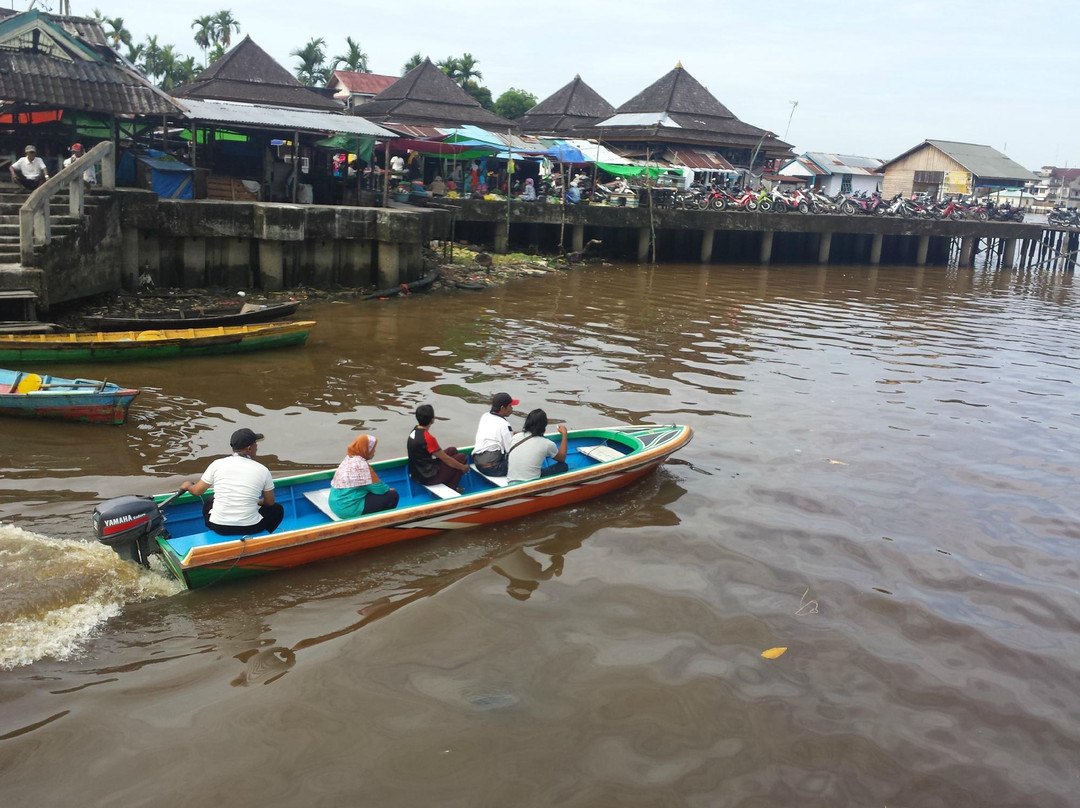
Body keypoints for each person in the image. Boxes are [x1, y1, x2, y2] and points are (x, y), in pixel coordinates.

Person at [179, 428, 285, 535]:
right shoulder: (263, 470)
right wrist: (257, 501)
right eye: (255, 444)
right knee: (277, 509)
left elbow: (197, 491)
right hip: (251, 528)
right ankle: (263, 535)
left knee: (210, 500)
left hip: (219, 527)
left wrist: (188, 486)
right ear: (249, 448)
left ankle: (214, 533)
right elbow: (269, 502)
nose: (257, 447)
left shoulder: (216, 464)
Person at [328, 435, 399, 519]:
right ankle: (382, 521)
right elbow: (380, 489)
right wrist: (388, 489)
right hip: (347, 510)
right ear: (365, 449)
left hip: (335, 504)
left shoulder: (349, 458)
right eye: (372, 449)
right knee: (392, 495)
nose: (374, 451)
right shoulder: (361, 466)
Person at [407, 404, 469, 490]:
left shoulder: (414, 431)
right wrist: (463, 467)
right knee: (461, 457)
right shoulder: (428, 438)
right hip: (427, 477)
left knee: (452, 450)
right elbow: (447, 460)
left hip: (417, 473)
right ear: (432, 420)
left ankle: (447, 480)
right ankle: (452, 487)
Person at [506, 409, 569, 484]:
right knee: (563, 466)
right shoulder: (547, 444)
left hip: (510, 481)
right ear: (544, 425)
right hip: (530, 483)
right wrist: (564, 434)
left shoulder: (515, 437)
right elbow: (562, 458)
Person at [472, 392, 518, 477]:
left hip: (478, 463)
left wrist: (511, 433)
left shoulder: (485, 416)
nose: (512, 409)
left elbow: (495, 433)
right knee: (521, 461)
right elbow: (510, 450)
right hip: (492, 469)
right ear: (502, 408)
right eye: (510, 406)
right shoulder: (504, 425)